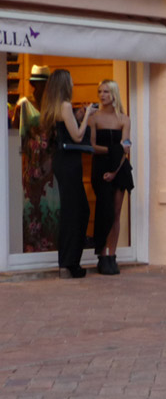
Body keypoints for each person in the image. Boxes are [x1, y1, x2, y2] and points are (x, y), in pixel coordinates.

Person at [40, 69, 96, 278]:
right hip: (70, 163)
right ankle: (69, 263)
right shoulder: (65, 106)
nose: (73, 83)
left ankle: (68, 262)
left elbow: (65, 130)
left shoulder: (55, 106)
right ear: (65, 83)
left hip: (62, 161)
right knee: (77, 212)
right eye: (71, 80)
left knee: (74, 210)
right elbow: (78, 136)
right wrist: (87, 115)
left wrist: (77, 116)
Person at [89, 80, 133, 276]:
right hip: (100, 168)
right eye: (100, 91)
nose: (102, 95)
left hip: (119, 168)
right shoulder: (94, 118)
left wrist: (115, 168)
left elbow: (126, 148)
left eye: (106, 91)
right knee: (104, 211)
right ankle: (102, 255)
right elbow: (92, 146)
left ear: (114, 94)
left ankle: (111, 255)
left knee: (116, 212)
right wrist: (114, 149)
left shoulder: (124, 119)